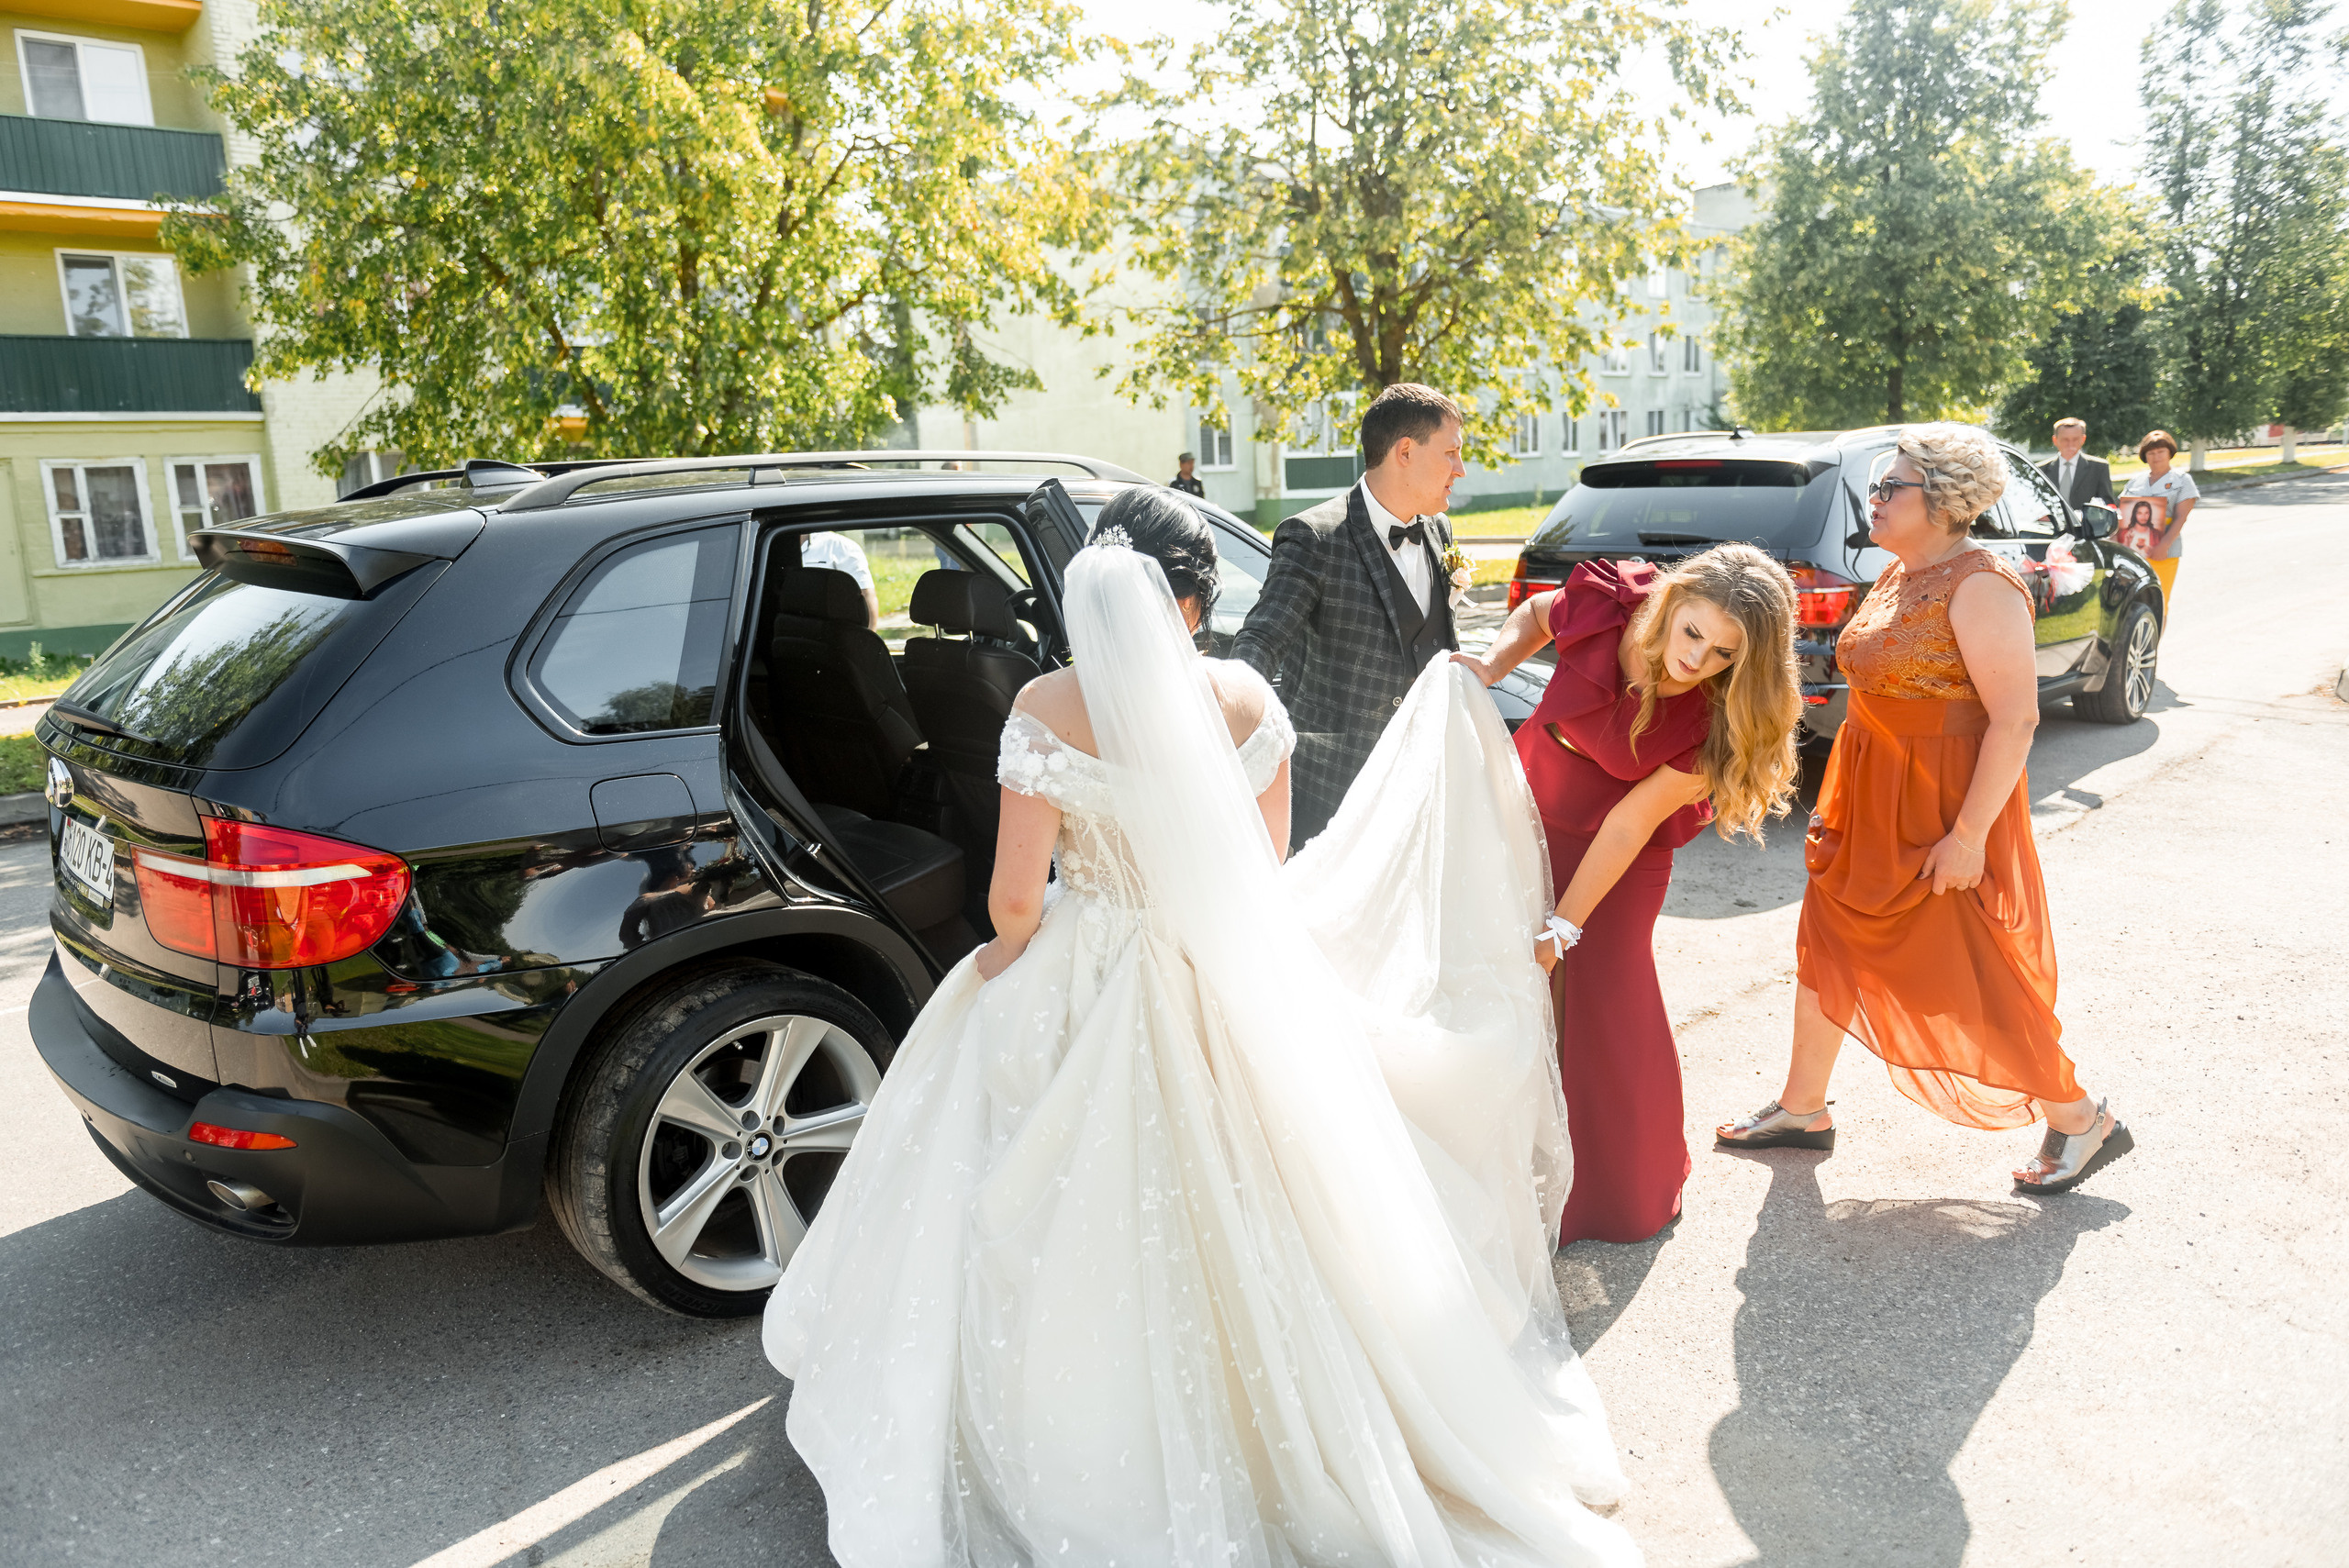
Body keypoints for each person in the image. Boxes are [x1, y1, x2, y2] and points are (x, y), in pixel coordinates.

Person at [764, 486, 1639, 1567]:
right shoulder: (1241, 693)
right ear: (1194, 597)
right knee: (1279, 1191)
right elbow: (1261, 871)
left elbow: (1016, 903)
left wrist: (997, 960)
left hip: (1088, 962)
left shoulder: (1044, 700)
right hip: (1222, 966)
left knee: (1026, 1190)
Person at [1718, 424, 2132, 1195]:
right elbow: (1873, 700)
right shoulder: (1897, 573)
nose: (1872, 500)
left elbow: (2015, 721)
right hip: (1871, 797)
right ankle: (1804, 1107)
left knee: (1966, 967)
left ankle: (2079, 1117)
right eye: (1876, 486)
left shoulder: (1981, 584)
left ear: (1941, 503)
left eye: (1889, 487)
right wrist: (1839, 797)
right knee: (1828, 940)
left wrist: (1968, 835)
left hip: (1942, 807)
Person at [1457, 544, 1803, 1244]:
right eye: (1694, 634)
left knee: (1604, 1003)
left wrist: (1562, 928)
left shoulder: (1717, 721)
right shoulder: (1613, 602)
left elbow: (1629, 824)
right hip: (1524, 808)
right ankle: (1508, 1166)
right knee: (1501, 984)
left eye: (1723, 655)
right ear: (1673, 606)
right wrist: (1492, 666)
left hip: (1615, 857)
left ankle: (1619, 1195)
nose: (1698, 660)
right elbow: (1533, 613)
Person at [1232, 382, 1466, 844]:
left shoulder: (1439, 529)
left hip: (1425, 785)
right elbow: (1261, 641)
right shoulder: (1314, 537)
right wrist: (1228, 725)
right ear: (1405, 452)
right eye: (1451, 454)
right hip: (1335, 796)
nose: (1460, 469)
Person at [2120, 428, 2198, 607]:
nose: (2156, 456)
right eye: (2151, 452)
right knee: (2131, 601)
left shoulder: (2182, 480)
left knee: (2157, 602)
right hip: (2133, 550)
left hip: (2164, 551)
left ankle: (2156, 636)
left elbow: (2181, 517)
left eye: (2161, 451)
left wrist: (2164, 545)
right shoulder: (2135, 481)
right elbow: (2122, 514)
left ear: (2170, 452)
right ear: (2144, 455)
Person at [798, 529, 881, 629]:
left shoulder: (839, 546)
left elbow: (865, 594)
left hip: (832, 631)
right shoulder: (776, 541)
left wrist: (868, 639)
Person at [2038, 417, 2111, 512]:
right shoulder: (2040, 470)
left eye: (2075, 439)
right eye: (2065, 440)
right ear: (2055, 440)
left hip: (2085, 526)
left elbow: (2108, 504)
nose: (2070, 444)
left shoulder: (2099, 468)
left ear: (2083, 439)